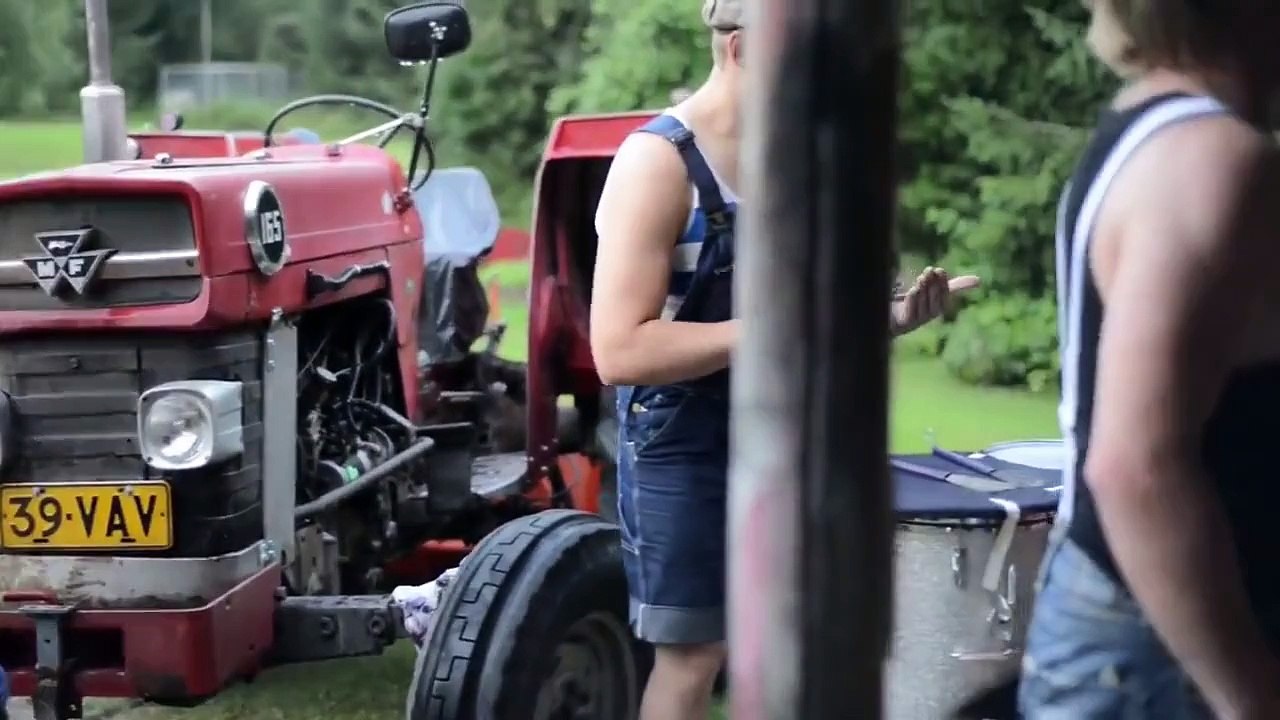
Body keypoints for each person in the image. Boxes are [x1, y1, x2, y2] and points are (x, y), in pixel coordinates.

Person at [589, 2, 979, 718]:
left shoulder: (809, 155)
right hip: (684, 435)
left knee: (804, 638)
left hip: (798, 427)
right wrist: (777, 328)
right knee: (695, 653)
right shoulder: (660, 163)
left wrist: (886, 318)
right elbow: (620, 350)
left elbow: (821, 319)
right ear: (741, 50)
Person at [1018, 2, 1280, 718]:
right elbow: (1135, 467)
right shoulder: (1210, 157)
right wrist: (1251, 695)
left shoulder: (1151, 126)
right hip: (1163, 653)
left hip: (1138, 632)